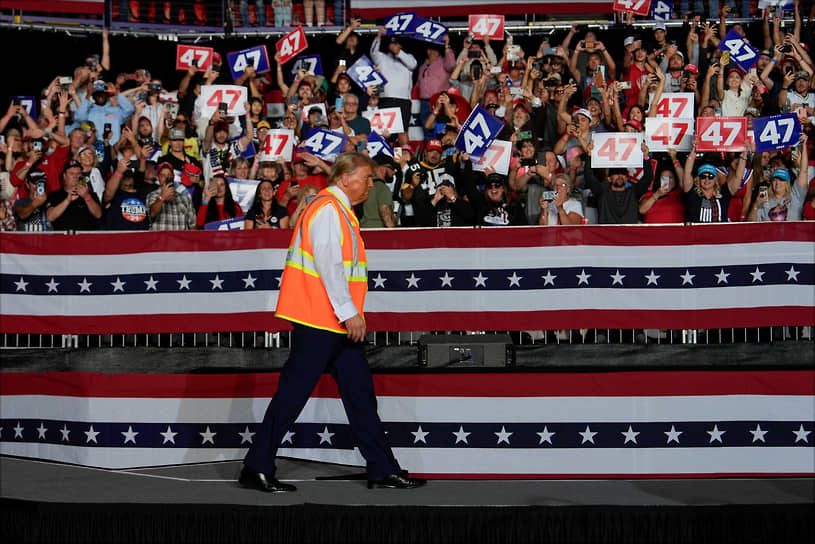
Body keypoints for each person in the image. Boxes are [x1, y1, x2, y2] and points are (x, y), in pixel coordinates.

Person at [239, 152, 426, 492]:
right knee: (294, 394)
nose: (372, 183)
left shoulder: (339, 211)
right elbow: (330, 266)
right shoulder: (328, 209)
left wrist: (345, 314)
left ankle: (382, 468)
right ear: (344, 179)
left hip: (332, 323)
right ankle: (256, 465)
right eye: (367, 177)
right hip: (321, 321)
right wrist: (348, 312)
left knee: (360, 394)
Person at [359, 154, 396, 228]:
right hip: (378, 231)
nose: (394, 172)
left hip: (361, 229)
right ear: (381, 167)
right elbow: (386, 216)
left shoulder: (362, 185)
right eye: (391, 168)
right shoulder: (382, 187)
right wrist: (392, 234)